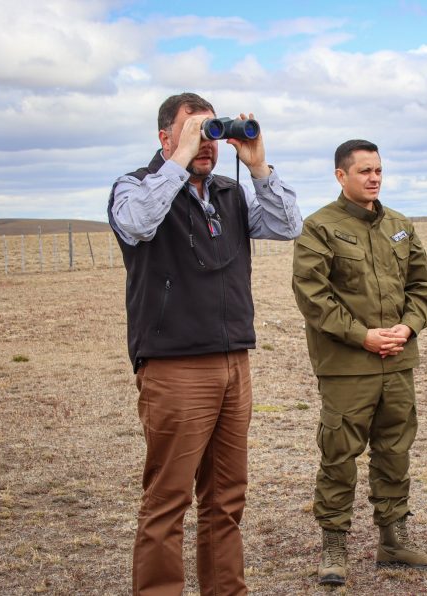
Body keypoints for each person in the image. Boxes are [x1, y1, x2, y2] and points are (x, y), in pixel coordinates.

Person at [108, 92, 303, 595]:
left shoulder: (228, 194)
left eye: (211, 132)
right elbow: (135, 224)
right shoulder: (135, 187)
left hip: (233, 361)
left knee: (225, 499)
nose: (206, 143)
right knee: (167, 502)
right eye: (193, 130)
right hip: (175, 366)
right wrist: (176, 163)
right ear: (164, 136)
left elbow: (287, 225)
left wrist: (257, 165)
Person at [292, 139, 427, 586]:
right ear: (341, 176)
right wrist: (363, 335)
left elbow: (422, 287)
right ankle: (334, 544)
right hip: (347, 366)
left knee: (395, 452)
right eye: (364, 171)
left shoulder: (399, 224)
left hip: (397, 363)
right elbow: (312, 295)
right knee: (339, 455)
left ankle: (393, 540)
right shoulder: (320, 227)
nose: (374, 178)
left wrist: (409, 327)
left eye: (378, 170)